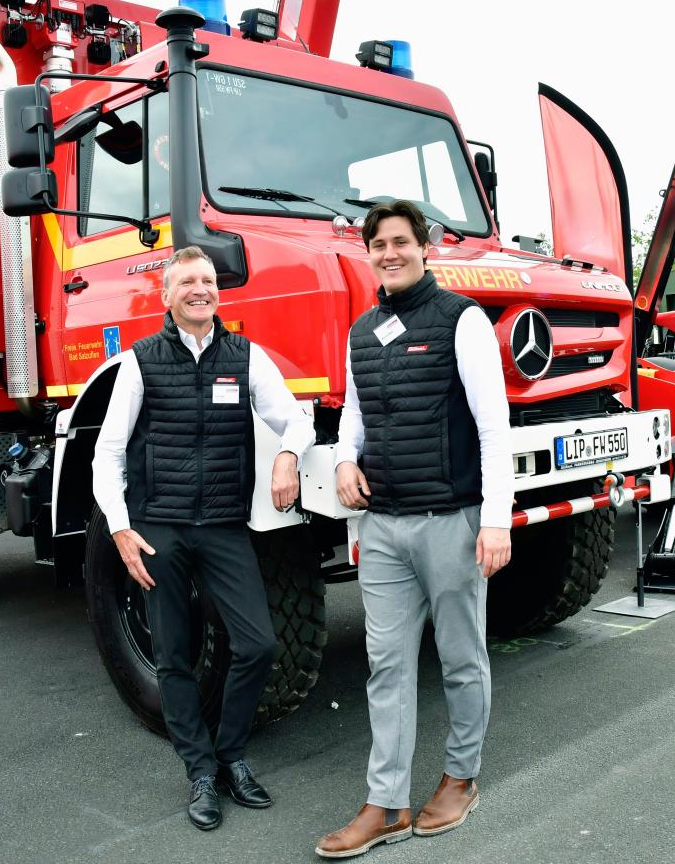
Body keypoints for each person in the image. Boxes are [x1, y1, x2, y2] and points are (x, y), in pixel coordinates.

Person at [92, 245, 315, 831]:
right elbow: (108, 452)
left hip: (221, 527)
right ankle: (199, 770)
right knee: (172, 656)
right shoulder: (141, 362)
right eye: (187, 281)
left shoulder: (245, 357)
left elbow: (296, 417)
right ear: (165, 295)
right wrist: (120, 529)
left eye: (209, 280)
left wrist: (290, 454)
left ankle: (231, 754)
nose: (200, 289)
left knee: (258, 644)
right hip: (159, 528)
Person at [316, 200, 514, 858]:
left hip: (451, 521)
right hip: (385, 528)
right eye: (379, 244)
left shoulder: (462, 321)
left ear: (424, 248)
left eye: (401, 241)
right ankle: (388, 802)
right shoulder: (363, 329)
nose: (390, 253)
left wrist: (493, 521)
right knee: (387, 666)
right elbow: (354, 417)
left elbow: (493, 427)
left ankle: (461, 776)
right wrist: (345, 458)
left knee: (461, 659)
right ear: (368, 252)